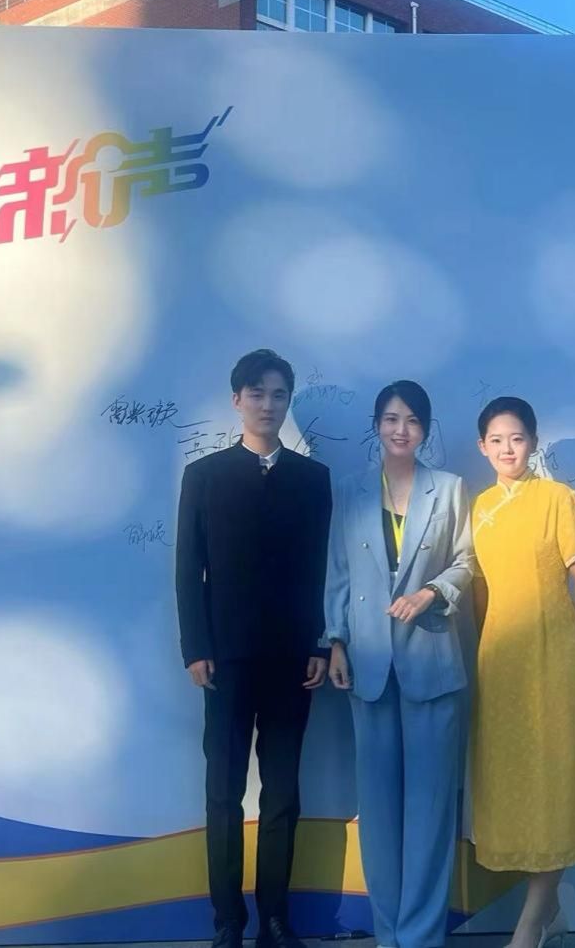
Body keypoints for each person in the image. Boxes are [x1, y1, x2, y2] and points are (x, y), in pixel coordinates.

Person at [175, 348, 332, 948]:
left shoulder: (312, 480)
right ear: (237, 400)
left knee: (283, 793)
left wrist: (319, 642)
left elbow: (321, 569)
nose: (268, 404)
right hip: (226, 659)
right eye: (257, 393)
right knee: (223, 792)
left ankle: (274, 919)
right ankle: (227, 922)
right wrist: (196, 648)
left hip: (293, 660)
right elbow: (188, 570)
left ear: (288, 402)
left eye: (279, 394)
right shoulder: (205, 476)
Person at [325, 380, 474, 948]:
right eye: (391, 418)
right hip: (368, 665)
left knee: (431, 811)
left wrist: (433, 592)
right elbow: (338, 572)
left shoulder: (450, 488)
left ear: (426, 430)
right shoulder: (351, 490)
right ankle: (389, 934)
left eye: (412, 420)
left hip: (432, 661)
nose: (400, 429)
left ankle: (421, 937)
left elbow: (467, 560)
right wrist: (336, 642)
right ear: (376, 425)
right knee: (380, 812)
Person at [468, 396, 575, 948]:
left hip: (555, 655)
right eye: (497, 440)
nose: (508, 449)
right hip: (500, 660)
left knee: (555, 781)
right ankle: (551, 909)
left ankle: (529, 925)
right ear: (482, 447)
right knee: (514, 784)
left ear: (533, 442)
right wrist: (483, 649)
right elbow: (479, 589)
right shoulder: (479, 507)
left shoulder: (559, 498)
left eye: (518, 438)